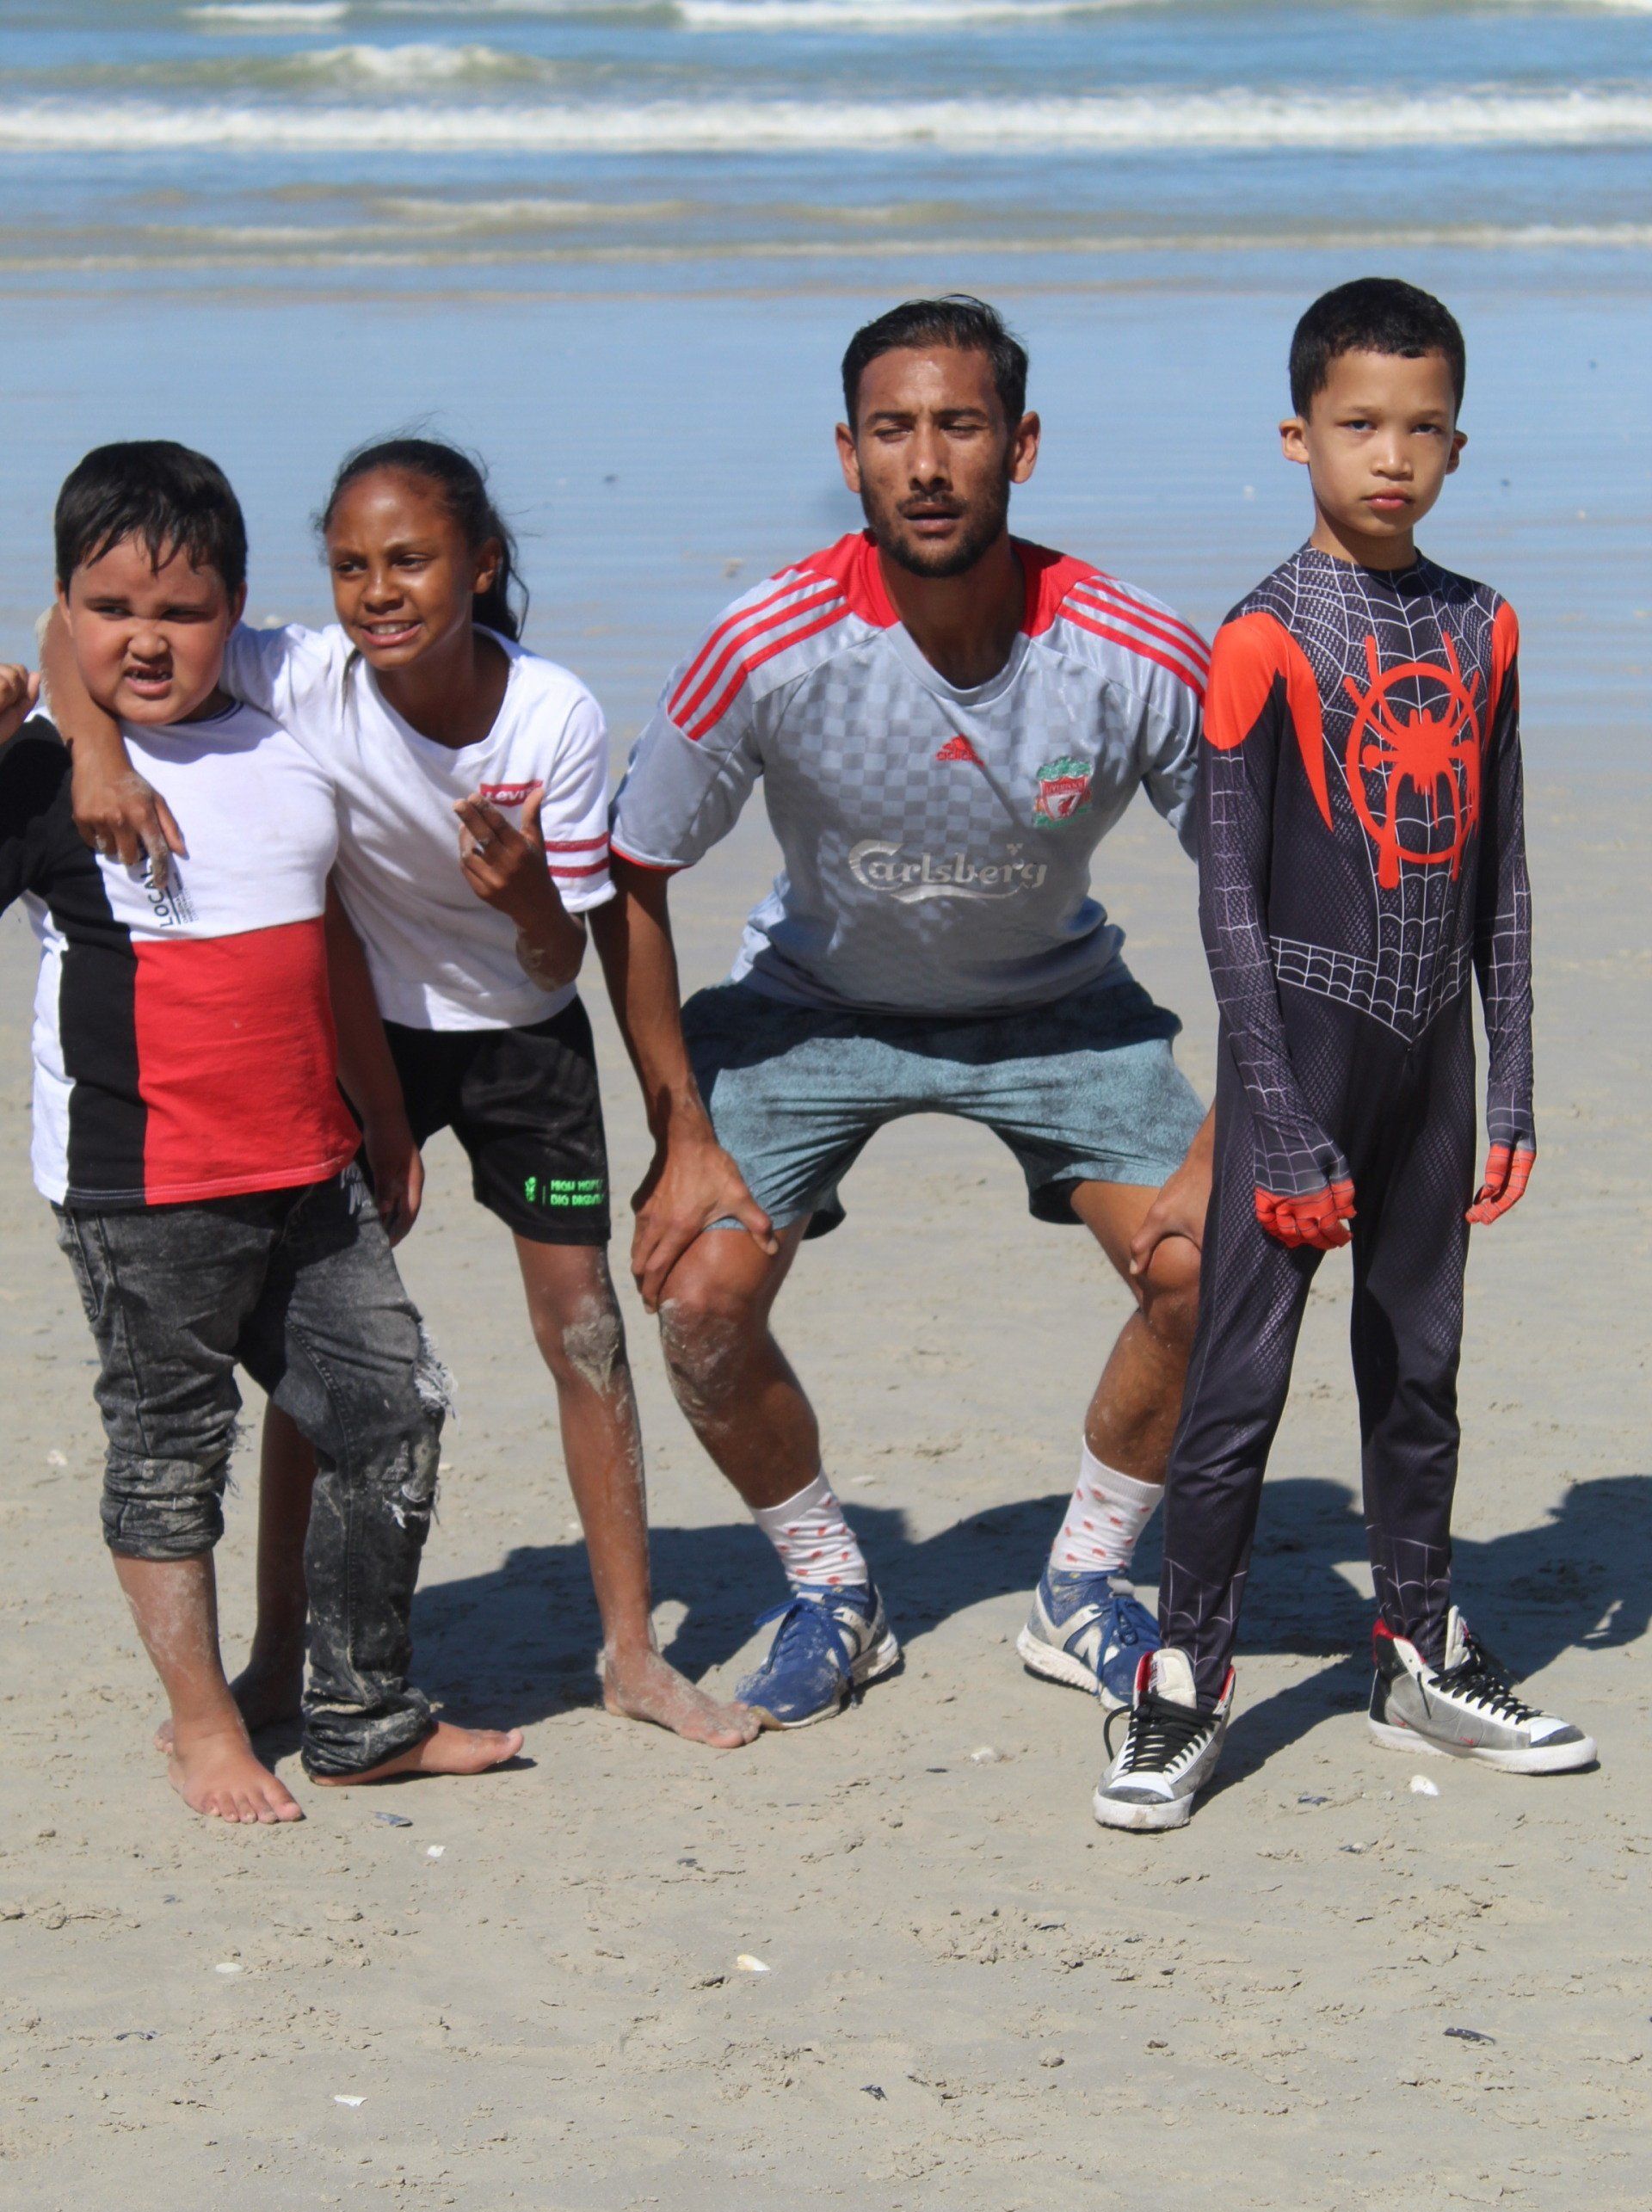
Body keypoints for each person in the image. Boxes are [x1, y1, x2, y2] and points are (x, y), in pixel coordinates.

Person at [48, 438, 760, 1753]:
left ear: (479, 566)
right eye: (351, 567)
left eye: (412, 561)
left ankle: (629, 1653)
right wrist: (94, 758)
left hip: (524, 1046)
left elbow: (564, 961)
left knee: (584, 1329)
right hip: (363, 1033)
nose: (379, 592)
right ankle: (276, 1661)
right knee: (324, 1351)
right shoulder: (306, 674)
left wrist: (527, 897)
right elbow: (87, 614)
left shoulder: (551, 719)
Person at [599, 294, 1215, 1728]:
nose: (927, 461)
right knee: (696, 1299)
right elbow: (631, 869)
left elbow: (1266, 889)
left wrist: (1238, 1125)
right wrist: (681, 1130)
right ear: (851, 451)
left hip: (1060, 1007)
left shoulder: (1130, 654)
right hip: (816, 1004)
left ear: (1022, 444)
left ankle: (1081, 1589)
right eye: (894, 431)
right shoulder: (769, 643)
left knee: (1214, 1268)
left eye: (960, 425)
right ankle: (833, 1588)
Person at [1094, 278, 1597, 1833]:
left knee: (1421, 1365)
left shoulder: (1483, 624)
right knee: (1239, 1380)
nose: (1393, 456)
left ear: (1458, 441)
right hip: (1297, 1058)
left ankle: (1419, 1646)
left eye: (1424, 427)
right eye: (1360, 425)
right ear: (1298, 433)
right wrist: (1286, 1125)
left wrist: (1508, 1077)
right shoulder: (1258, 636)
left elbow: (1500, 873)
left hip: (1428, 1064)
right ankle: (1180, 1681)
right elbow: (1226, 902)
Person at [6, 439, 523, 1821]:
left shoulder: (285, 733)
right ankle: (202, 1723)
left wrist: (384, 1115)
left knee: (392, 1417)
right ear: (66, 608)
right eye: (112, 613)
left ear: (236, 611)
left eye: (182, 612)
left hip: (313, 1171)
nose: (148, 640)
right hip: (144, 1192)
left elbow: (335, 943)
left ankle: (359, 1710)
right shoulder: (45, 769)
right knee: (174, 1459)